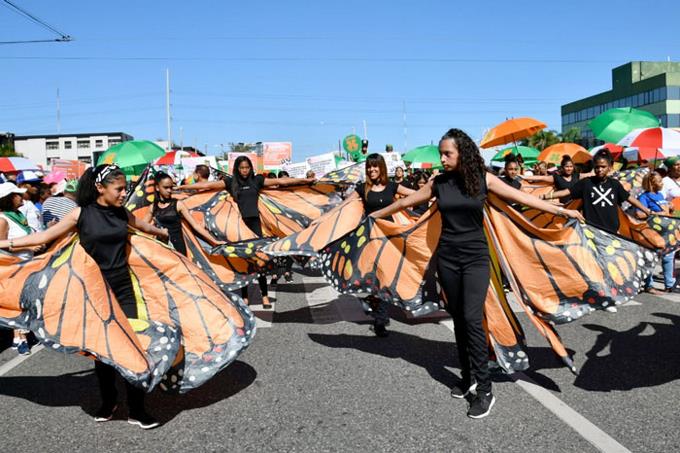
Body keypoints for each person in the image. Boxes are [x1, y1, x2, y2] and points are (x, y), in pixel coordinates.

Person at [369, 128, 584, 419]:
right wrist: (373, 216)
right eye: (441, 154)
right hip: (447, 259)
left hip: (476, 259)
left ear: (463, 153)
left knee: (472, 319)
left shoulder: (484, 179)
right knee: (459, 320)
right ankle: (467, 376)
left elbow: (522, 198)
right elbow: (406, 202)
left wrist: (563, 212)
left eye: (447, 154)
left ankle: (484, 390)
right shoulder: (438, 183)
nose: (443, 159)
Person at [0, 164, 169, 429]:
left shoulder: (121, 213)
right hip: (94, 292)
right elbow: (45, 235)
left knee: (134, 345)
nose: (124, 193)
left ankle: (137, 409)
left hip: (124, 289)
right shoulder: (80, 214)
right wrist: (6, 244)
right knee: (102, 350)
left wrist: (162, 232)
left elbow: (143, 226)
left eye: (125, 188)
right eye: (119, 189)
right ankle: (109, 402)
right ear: (100, 188)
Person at [178, 156, 313, 309]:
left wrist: (305, 180)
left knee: (260, 260)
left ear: (251, 168)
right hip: (239, 227)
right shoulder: (231, 182)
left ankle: (264, 296)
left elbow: (280, 182)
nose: (245, 170)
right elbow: (209, 185)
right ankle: (245, 297)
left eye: (247, 167)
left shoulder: (257, 180)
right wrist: (182, 188)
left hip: (255, 225)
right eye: (242, 168)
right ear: (237, 168)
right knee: (243, 261)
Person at [546, 150, 653, 311]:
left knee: (608, 267)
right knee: (595, 266)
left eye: (603, 167)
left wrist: (646, 210)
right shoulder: (586, 183)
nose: (599, 170)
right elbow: (567, 192)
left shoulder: (614, 185)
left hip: (612, 233)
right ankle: (601, 296)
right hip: (591, 232)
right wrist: (544, 197)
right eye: (597, 167)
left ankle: (607, 297)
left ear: (610, 167)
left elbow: (629, 198)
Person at [346, 153, 415, 337]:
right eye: (369, 166)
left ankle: (375, 309)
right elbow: (344, 206)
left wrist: (435, 190)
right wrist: (324, 218)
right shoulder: (362, 188)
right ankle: (379, 316)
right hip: (371, 238)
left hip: (389, 238)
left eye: (375, 166)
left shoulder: (392, 186)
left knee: (387, 277)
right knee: (378, 277)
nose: (372, 169)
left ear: (381, 168)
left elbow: (415, 195)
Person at [0, 182, 42, 355]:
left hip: (26, 264)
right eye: (17, 194)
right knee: (19, 303)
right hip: (13, 267)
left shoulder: (18, 215)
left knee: (24, 301)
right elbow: (1, 245)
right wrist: (28, 247)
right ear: (9, 198)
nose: (21, 196)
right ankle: (21, 339)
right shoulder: (3, 219)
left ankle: (18, 338)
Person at [143, 172, 224, 256]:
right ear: (157, 188)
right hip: (161, 248)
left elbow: (195, 225)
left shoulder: (178, 204)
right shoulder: (153, 207)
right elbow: (143, 226)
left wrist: (214, 241)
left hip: (177, 247)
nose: (169, 190)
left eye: (171, 187)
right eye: (166, 187)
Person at [637, 172, 677, 294]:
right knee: (651, 258)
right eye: (659, 181)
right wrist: (657, 213)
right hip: (653, 233)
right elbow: (639, 214)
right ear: (652, 184)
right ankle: (648, 285)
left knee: (668, 257)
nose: (662, 183)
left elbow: (665, 211)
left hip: (666, 233)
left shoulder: (660, 195)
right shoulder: (644, 197)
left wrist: (670, 208)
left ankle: (669, 284)